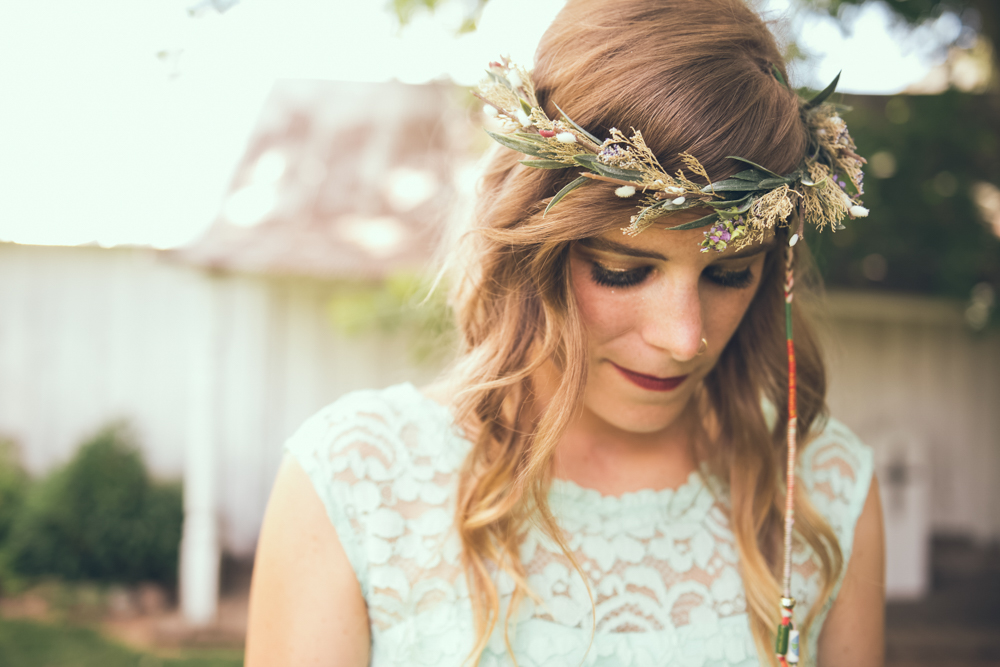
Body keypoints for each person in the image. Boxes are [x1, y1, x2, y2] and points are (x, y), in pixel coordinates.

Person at [244, 0, 886, 665]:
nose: (682, 337)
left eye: (729, 275)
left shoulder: (821, 491)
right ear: (533, 248)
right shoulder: (355, 484)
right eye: (623, 270)